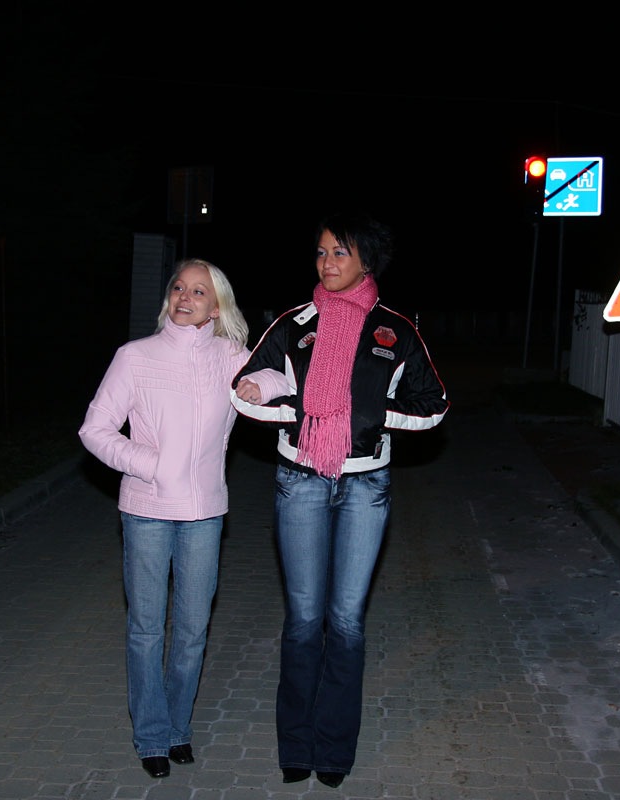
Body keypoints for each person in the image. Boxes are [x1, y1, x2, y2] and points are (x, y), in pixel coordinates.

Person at [231, 212, 449, 787]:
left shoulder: (394, 331)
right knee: (304, 620)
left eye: (340, 253)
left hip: (365, 488)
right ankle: (295, 746)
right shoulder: (294, 324)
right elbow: (245, 391)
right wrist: (296, 412)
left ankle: (333, 751)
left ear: (366, 261)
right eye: (322, 252)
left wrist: (371, 418)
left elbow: (434, 404)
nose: (327, 263)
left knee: (346, 622)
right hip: (300, 481)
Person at [79, 258, 251, 780]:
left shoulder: (231, 358)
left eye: (199, 291)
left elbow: (276, 379)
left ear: (216, 307)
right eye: (179, 287)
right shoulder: (135, 357)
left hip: (204, 512)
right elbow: (94, 429)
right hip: (147, 510)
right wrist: (149, 464)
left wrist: (263, 387)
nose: (185, 297)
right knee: (146, 629)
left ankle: (178, 728)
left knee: (193, 629)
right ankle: (152, 735)